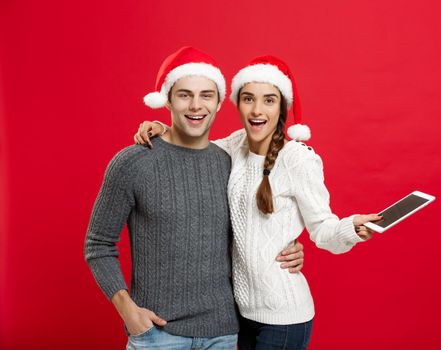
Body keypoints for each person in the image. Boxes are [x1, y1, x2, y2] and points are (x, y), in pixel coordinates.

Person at [135, 55, 382, 350]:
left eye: (268, 100)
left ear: (281, 108)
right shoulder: (232, 146)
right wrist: (162, 128)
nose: (257, 109)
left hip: (284, 317)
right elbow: (191, 144)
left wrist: (351, 229)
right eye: (248, 99)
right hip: (240, 315)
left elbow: (324, 230)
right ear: (237, 104)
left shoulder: (297, 158)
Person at [84, 47, 304, 350]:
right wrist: (127, 309)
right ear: (168, 100)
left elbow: (253, 228)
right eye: (185, 95)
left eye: (206, 95)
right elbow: (98, 243)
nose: (196, 105)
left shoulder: (230, 162)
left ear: (217, 104)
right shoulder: (133, 163)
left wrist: (288, 245)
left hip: (224, 333)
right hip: (156, 334)